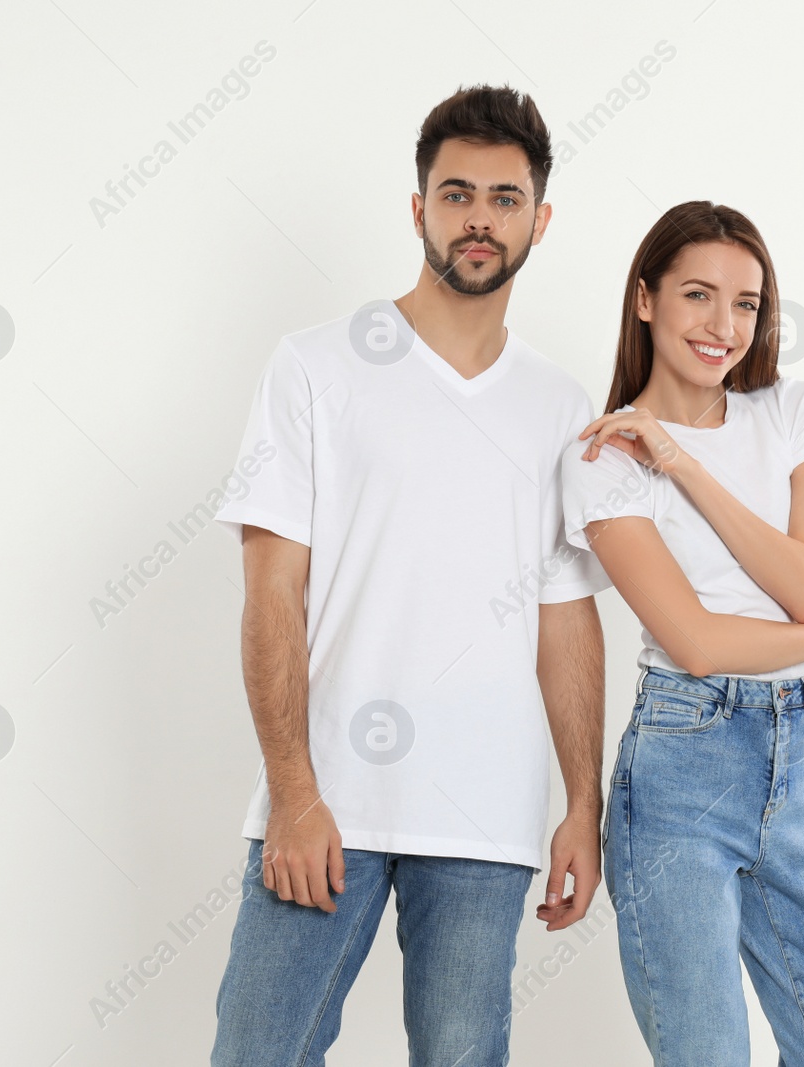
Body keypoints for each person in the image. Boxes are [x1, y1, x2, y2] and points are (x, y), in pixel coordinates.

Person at [209, 85, 612, 1067]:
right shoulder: (314, 367)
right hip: (326, 802)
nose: (480, 218)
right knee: (257, 1050)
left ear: (539, 219)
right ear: (419, 207)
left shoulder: (559, 405)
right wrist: (295, 794)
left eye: (505, 199)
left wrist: (582, 806)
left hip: (485, 816)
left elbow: (565, 618)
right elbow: (271, 597)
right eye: (457, 193)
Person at [560, 200, 804, 1067]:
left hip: (800, 763)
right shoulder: (603, 458)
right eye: (697, 295)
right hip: (682, 767)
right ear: (645, 299)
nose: (725, 326)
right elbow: (695, 642)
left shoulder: (794, 411)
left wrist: (683, 463)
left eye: (748, 303)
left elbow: (803, 586)